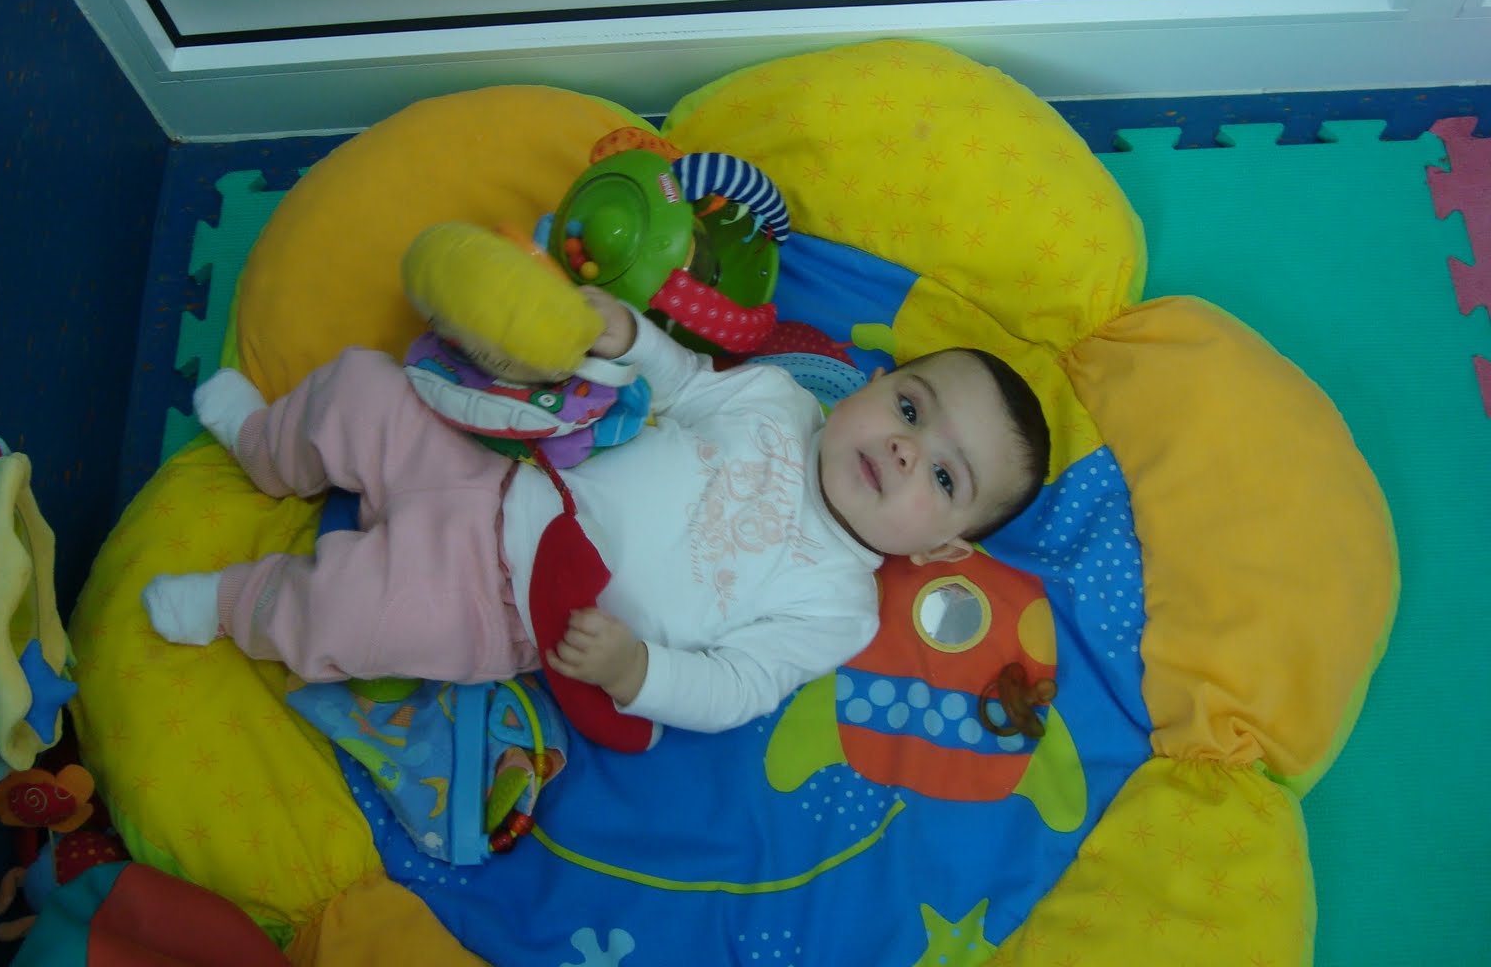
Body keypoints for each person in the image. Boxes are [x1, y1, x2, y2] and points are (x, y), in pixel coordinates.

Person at [142, 288, 1049, 736]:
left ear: (941, 550)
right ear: (874, 386)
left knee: (352, 616)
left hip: (505, 604)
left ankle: (235, 603)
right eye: (910, 408)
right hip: (497, 463)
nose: (906, 448)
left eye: (944, 477)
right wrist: (631, 338)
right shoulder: (779, 401)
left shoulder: (838, 603)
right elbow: (683, 383)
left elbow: (740, 686)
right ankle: (268, 446)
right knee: (362, 388)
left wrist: (637, 671)